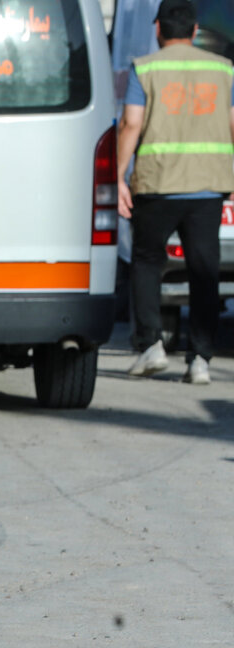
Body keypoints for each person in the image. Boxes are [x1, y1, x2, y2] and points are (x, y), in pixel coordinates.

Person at [117, 0, 234, 385]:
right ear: (195, 29)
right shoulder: (223, 70)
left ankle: (150, 346)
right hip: (207, 187)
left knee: (148, 263)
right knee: (204, 270)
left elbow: (131, 125)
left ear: (158, 29)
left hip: (158, 185)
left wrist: (117, 176)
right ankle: (200, 358)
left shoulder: (146, 68)